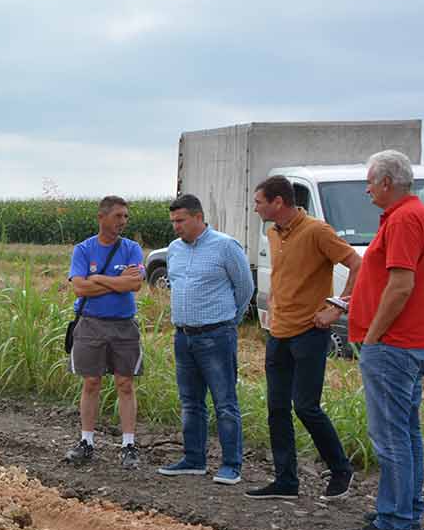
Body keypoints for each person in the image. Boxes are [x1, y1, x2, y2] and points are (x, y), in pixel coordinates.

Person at [343, 150, 424, 530]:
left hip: (393, 345)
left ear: (387, 183)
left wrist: (373, 335)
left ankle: (394, 519)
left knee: (389, 436)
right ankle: (406, 508)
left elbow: (401, 284)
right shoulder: (414, 216)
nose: (366, 190)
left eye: (370, 182)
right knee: (406, 432)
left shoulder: (403, 219)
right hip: (410, 343)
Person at [246, 175, 362, 501]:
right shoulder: (272, 232)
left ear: (278, 202)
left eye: (259, 202)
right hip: (278, 332)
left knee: (306, 406)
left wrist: (337, 307)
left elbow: (357, 264)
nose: (255, 208)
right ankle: (286, 481)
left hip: (311, 332)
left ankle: (341, 470)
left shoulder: (317, 231)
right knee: (277, 408)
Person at [157, 194, 254, 485]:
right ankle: (194, 459)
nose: (176, 227)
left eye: (181, 221)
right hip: (183, 336)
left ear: (198, 218)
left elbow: (245, 289)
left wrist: (228, 322)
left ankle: (231, 465)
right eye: (173, 221)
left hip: (216, 335)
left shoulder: (225, 246)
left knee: (225, 402)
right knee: (190, 402)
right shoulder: (174, 250)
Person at [64, 195, 145, 468]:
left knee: (125, 383)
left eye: (126, 217)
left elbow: (134, 285)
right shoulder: (83, 250)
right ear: (102, 217)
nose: (123, 221)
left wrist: (97, 278)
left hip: (124, 324)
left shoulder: (132, 248)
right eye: (118, 216)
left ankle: (129, 445)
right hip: (91, 323)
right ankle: (86, 441)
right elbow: (80, 288)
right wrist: (116, 282)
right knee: (91, 383)